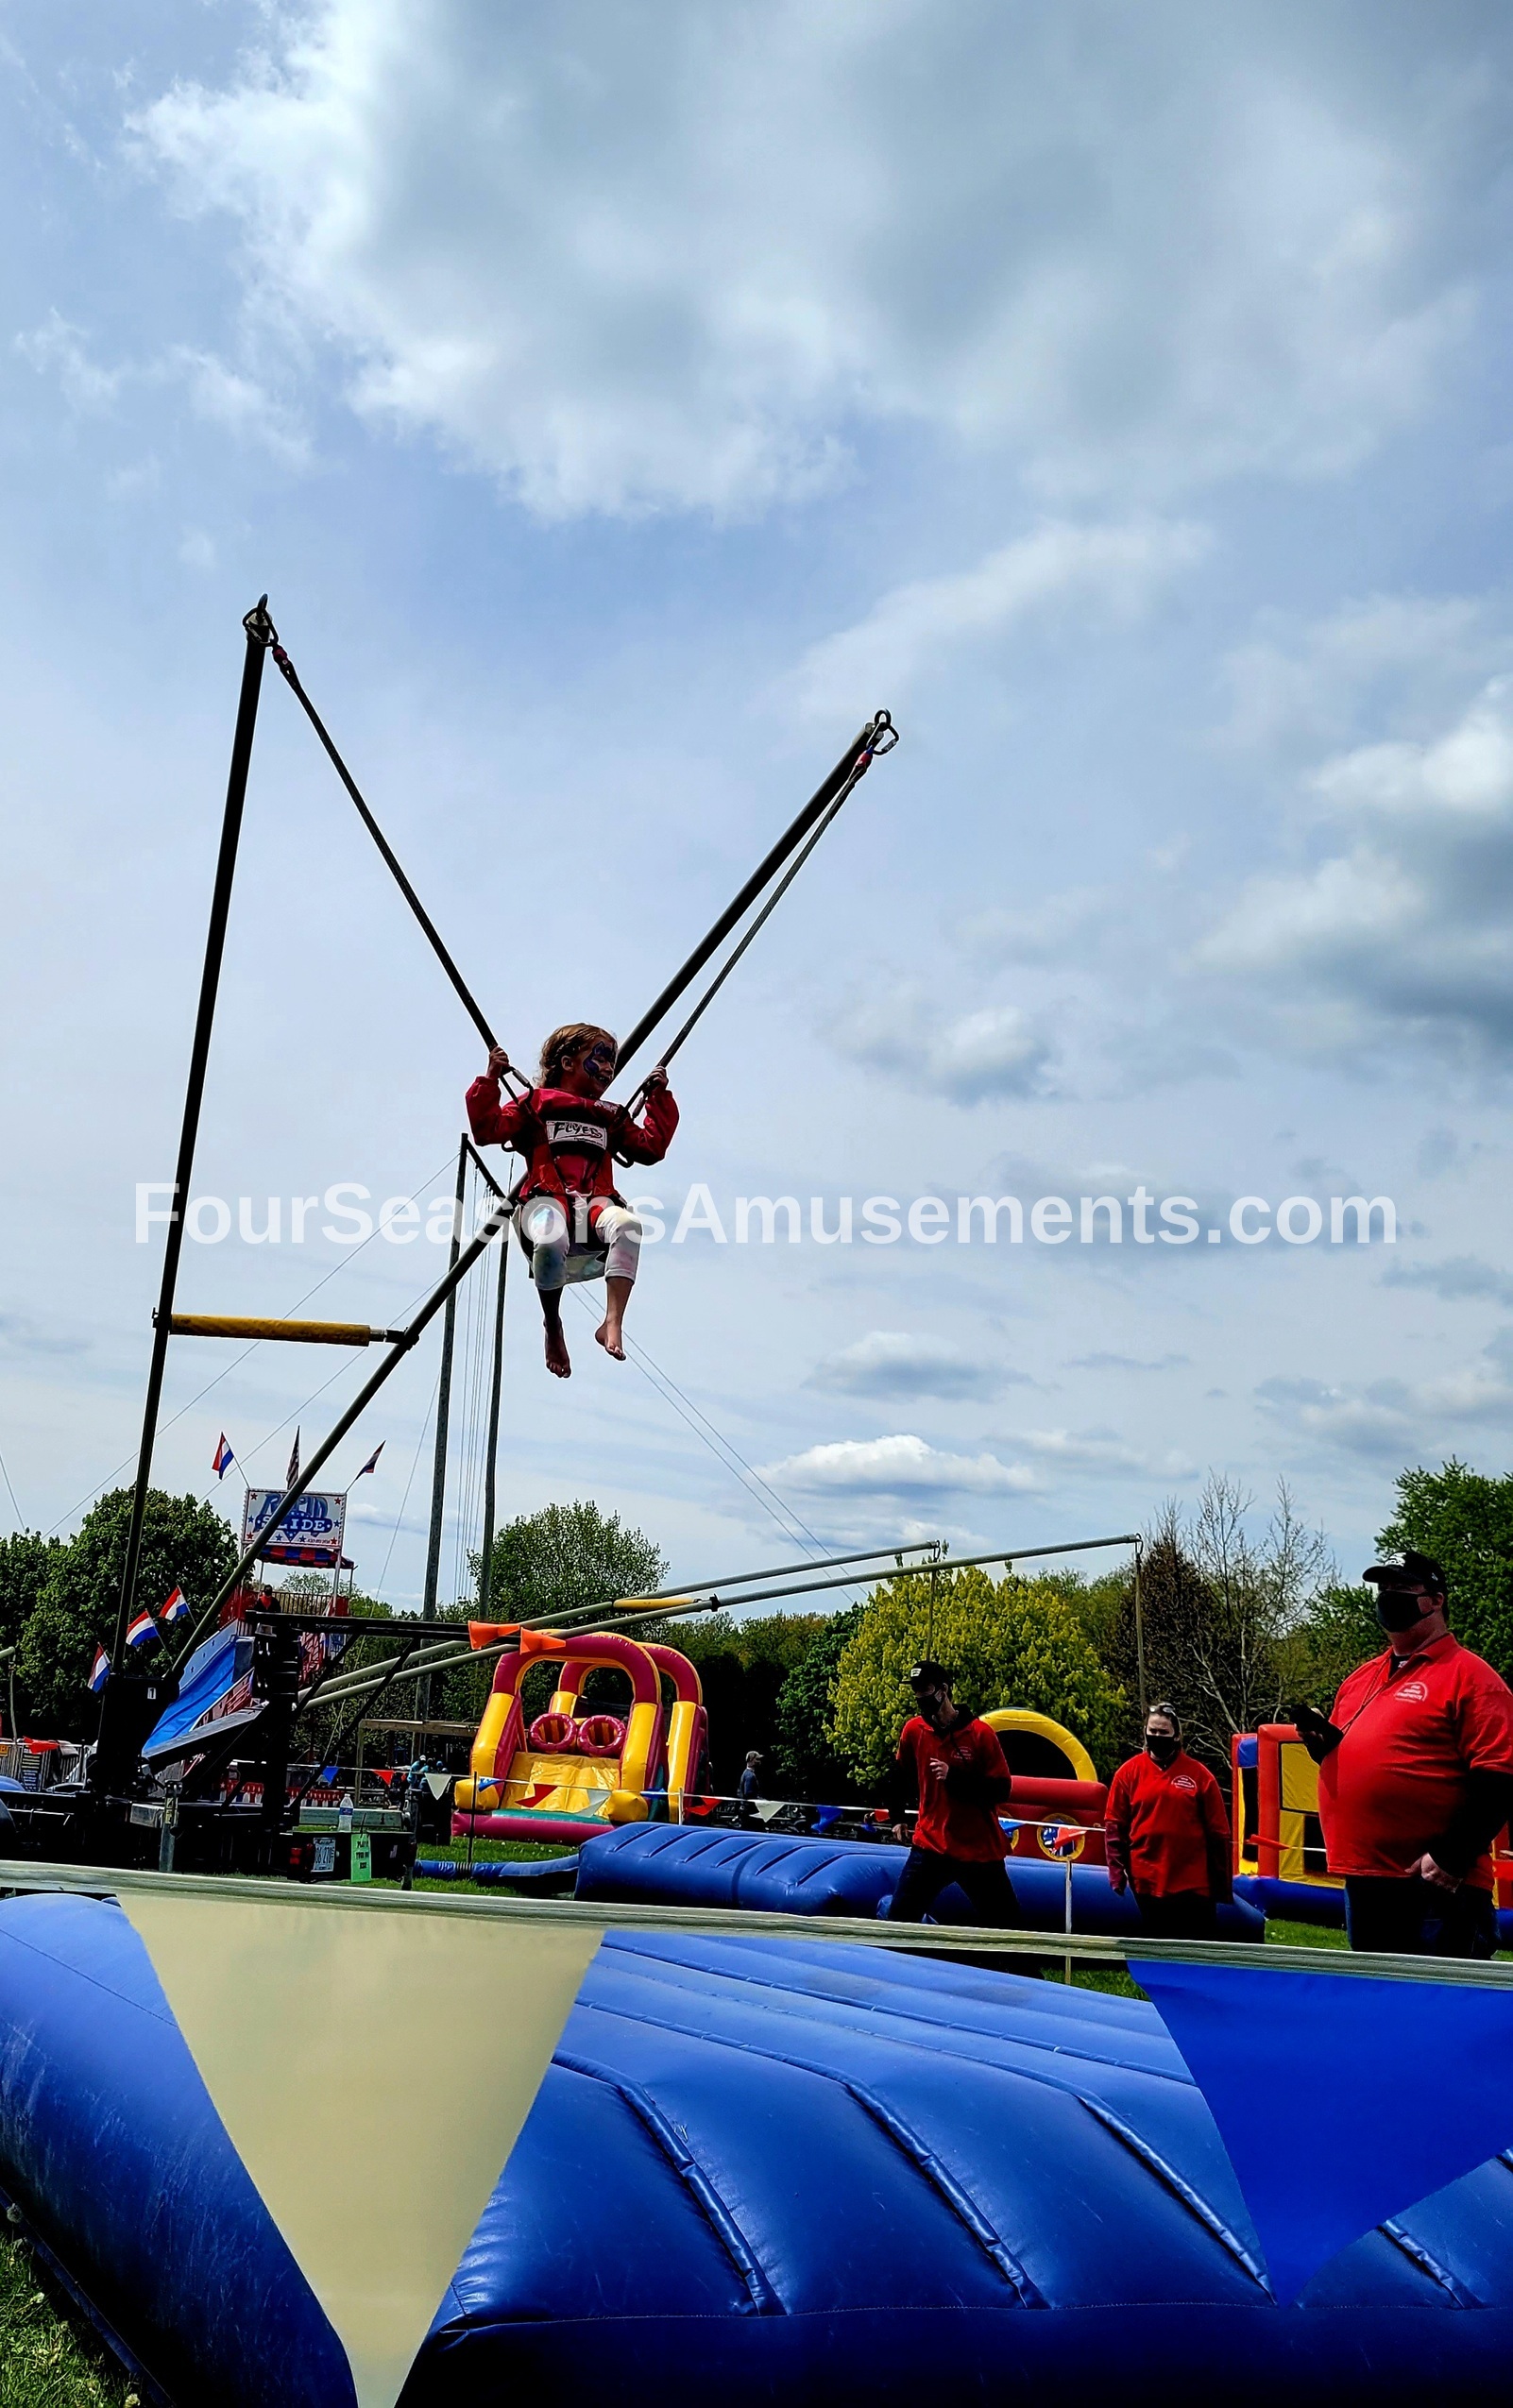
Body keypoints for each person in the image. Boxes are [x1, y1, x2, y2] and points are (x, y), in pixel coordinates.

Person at [1292, 1551, 1513, 1959]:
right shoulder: (1363, 1677)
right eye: (1384, 1588)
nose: (1388, 1596)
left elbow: (1499, 1777)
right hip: (1365, 1881)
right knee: (1379, 2011)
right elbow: (1359, 1758)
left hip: (1433, 1884)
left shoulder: (1473, 1678)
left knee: (1438, 2013)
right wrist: (1323, 1748)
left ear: (1435, 1599)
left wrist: (1451, 1857)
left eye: (1402, 1588)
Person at [467, 1025, 678, 1379]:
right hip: (545, 1199)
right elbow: (487, 1129)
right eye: (599, 1059)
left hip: (594, 1204)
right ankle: (552, 1323)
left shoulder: (609, 1116)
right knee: (551, 1234)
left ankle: (612, 1320)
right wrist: (490, 1079)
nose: (609, 1069)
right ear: (567, 1062)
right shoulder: (535, 1104)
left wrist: (658, 1098)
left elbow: (650, 1147)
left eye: (612, 1061)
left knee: (628, 1225)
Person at [883, 1661, 1021, 1927]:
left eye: (925, 1689)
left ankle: (1022, 1970)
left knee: (1008, 1929)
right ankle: (887, 1967)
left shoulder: (981, 1734)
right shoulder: (914, 1731)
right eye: (916, 1691)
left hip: (979, 1850)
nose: (920, 1696)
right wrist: (897, 1817)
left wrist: (954, 1778)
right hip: (931, 1844)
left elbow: (1001, 1790)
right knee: (899, 1921)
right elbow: (898, 1776)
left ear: (943, 1690)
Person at [1104, 1704, 1232, 1939]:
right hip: (1146, 1880)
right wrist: (1116, 1873)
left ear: (1176, 1735)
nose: (1157, 1737)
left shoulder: (1200, 1776)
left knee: (1196, 1950)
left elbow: (1219, 1833)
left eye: (1163, 1732)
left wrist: (1222, 1885)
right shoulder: (1128, 1773)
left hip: (1193, 1883)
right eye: (1152, 1731)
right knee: (1158, 1945)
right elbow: (1115, 1826)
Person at [738, 1750, 763, 1823]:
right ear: (751, 1760)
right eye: (757, 1759)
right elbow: (749, 1793)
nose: (759, 1761)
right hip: (750, 1812)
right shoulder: (750, 1775)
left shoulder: (746, 1773)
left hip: (747, 1810)